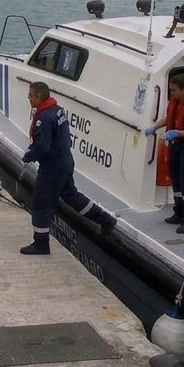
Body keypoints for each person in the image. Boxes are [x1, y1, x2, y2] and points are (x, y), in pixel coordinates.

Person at [20, 81, 117, 255]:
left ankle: (41, 244)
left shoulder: (44, 118)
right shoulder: (57, 110)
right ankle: (105, 219)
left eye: (30, 96)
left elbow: (43, 147)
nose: (29, 99)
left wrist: (29, 156)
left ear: (39, 97)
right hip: (65, 161)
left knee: (41, 203)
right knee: (71, 195)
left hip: (52, 167)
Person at [144, 72, 184, 234]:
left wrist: (177, 133)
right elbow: (168, 118)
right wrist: (155, 127)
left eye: (174, 90)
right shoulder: (176, 103)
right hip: (175, 146)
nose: (171, 93)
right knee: (176, 181)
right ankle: (179, 212)